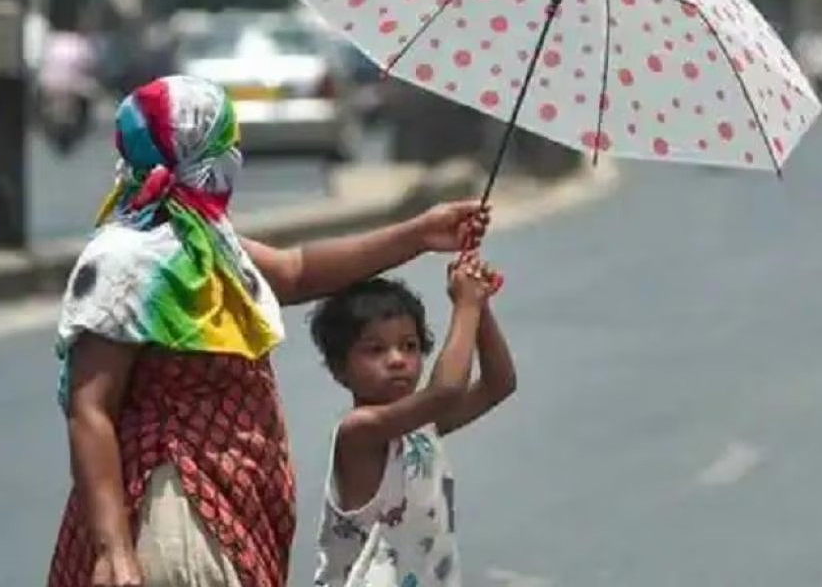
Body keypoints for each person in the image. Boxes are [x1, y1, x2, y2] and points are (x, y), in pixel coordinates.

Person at [47, 74, 491, 587]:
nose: (235, 154)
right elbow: (91, 409)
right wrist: (115, 551)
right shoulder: (126, 258)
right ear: (193, 148)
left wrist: (419, 234)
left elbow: (297, 271)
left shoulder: (208, 241)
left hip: (232, 507)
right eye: (225, 143)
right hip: (173, 508)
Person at [309, 257, 516, 587]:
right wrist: (466, 304)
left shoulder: (421, 426)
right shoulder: (359, 431)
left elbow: (499, 383)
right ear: (339, 369)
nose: (397, 360)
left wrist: (481, 306)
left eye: (409, 346)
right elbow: (446, 390)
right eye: (375, 350)